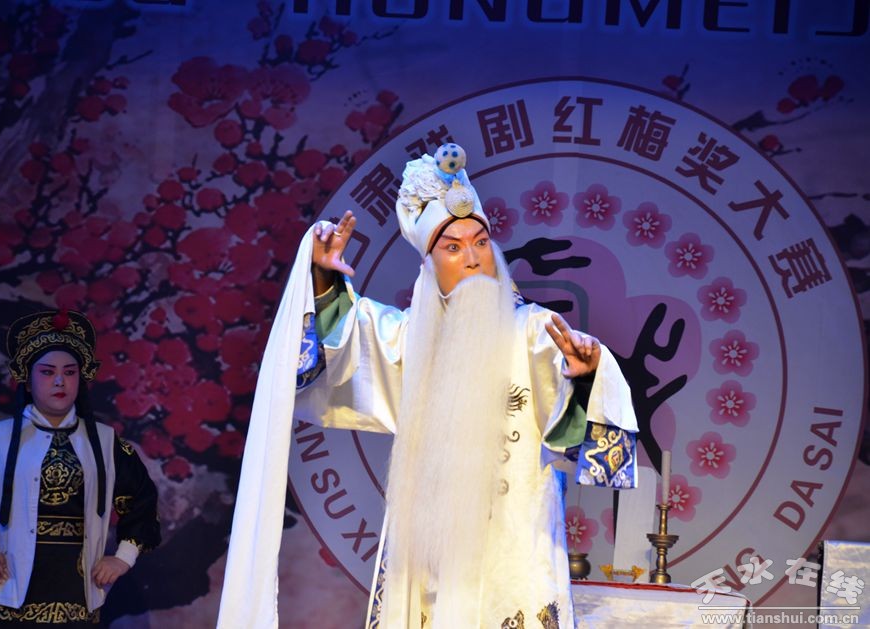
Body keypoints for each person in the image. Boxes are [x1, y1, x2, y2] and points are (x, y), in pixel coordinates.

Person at [218, 145, 638, 628]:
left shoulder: (534, 331)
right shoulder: (411, 340)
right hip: (429, 562)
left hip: (513, 549)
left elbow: (572, 428)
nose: (473, 259)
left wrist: (585, 377)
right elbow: (343, 344)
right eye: (453, 248)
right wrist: (322, 278)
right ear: (430, 263)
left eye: (481, 242)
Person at [0, 309, 161, 626]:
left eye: (70, 372)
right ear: (27, 379)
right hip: (6, 591)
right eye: (48, 372)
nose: (60, 381)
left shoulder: (106, 442)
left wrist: (123, 558)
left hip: (77, 592)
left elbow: (142, 501)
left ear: (81, 378)